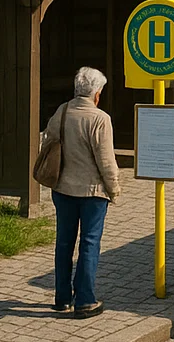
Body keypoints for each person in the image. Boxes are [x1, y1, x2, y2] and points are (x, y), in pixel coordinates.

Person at [42, 67, 121, 317]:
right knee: (89, 243)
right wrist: (114, 190)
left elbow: (48, 141)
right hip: (92, 193)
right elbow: (106, 162)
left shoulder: (62, 112)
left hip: (63, 189)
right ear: (96, 94)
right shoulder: (100, 119)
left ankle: (62, 297)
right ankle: (85, 300)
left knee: (64, 243)